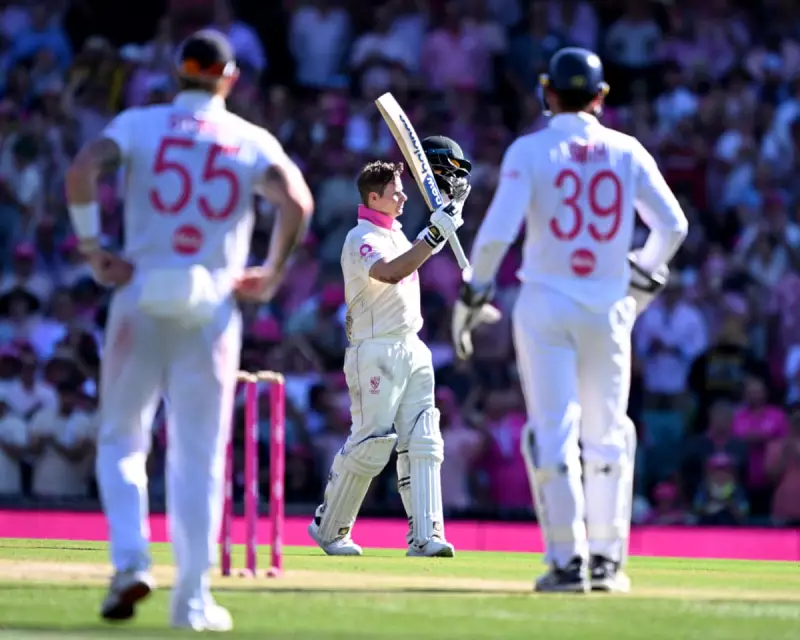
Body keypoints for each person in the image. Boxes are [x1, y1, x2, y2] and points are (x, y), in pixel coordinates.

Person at [64, 29, 313, 630]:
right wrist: (273, 272)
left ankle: (130, 563)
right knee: (200, 457)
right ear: (229, 78)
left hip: (142, 290)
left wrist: (95, 248)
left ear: (178, 72)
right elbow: (298, 203)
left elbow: (82, 169)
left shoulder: (140, 123)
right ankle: (193, 600)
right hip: (212, 302)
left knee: (123, 440)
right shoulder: (248, 138)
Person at [452, 47, 688, 593]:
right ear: (601, 96)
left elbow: (494, 237)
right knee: (608, 433)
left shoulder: (530, 150)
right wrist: (640, 275)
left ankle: (566, 561)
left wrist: (471, 296)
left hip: (546, 303)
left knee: (552, 432)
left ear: (547, 93)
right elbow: (672, 227)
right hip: (607, 308)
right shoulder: (627, 150)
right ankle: (607, 561)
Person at [308, 137, 470, 558]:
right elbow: (392, 273)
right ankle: (330, 529)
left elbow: (419, 248)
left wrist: (450, 216)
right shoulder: (360, 238)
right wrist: (434, 235)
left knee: (424, 440)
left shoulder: (397, 232)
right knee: (371, 442)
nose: (402, 195)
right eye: (395, 191)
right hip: (374, 350)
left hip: (411, 345)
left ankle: (426, 536)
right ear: (373, 197)